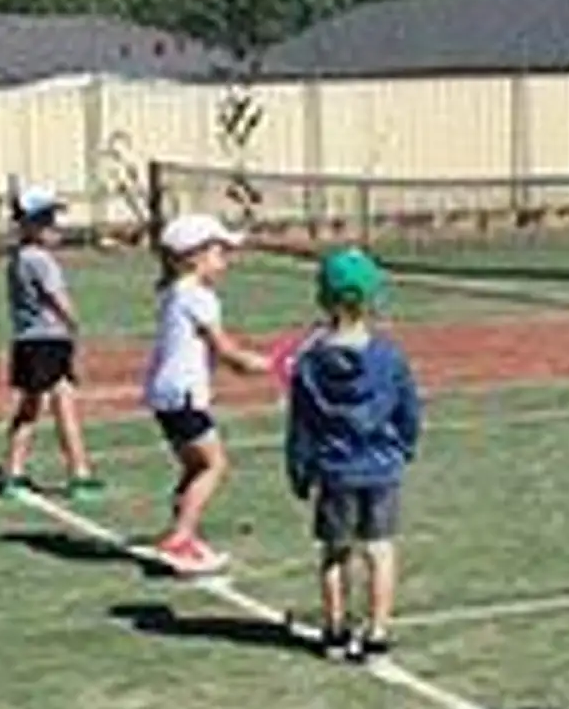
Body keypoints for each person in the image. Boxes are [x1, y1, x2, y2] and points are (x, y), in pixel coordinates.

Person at [284, 246, 423, 662]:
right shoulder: (389, 358)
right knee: (380, 548)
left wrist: (299, 469)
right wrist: (404, 447)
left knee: (335, 550)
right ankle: (377, 631)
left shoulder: (310, 363)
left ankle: (335, 630)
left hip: (334, 470)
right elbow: (408, 410)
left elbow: (301, 426)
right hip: (380, 468)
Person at [141, 212, 269, 575]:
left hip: (165, 395)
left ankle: (183, 531)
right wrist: (266, 365)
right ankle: (180, 539)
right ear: (194, 257)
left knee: (195, 465)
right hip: (182, 395)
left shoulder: (174, 292)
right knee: (214, 465)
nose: (226, 261)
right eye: (219, 252)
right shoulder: (199, 297)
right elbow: (227, 353)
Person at [0, 186, 102, 500]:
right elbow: (57, 299)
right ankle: (79, 473)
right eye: (46, 220)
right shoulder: (40, 260)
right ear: (29, 225)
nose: (54, 226)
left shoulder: (19, 258)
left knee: (30, 408)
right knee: (62, 406)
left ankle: (14, 471)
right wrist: (75, 323)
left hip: (30, 341)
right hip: (48, 341)